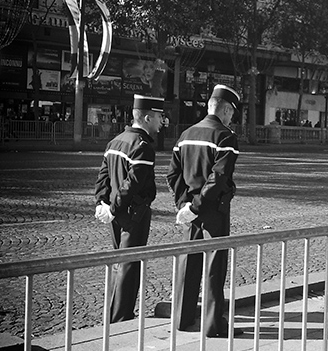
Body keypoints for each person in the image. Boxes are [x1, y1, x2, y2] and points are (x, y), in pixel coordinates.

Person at [167, 84, 241, 335]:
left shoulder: (185, 134)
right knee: (213, 267)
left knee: (188, 263)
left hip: (190, 209)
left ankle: (182, 318)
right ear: (227, 110)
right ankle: (213, 324)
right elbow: (218, 179)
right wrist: (198, 207)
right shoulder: (226, 137)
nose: (232, 117)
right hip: (212, 211)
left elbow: (172, 174)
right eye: (232, 112)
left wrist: (184, 205)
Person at [94, 94, 164, 322]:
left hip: (116, 213)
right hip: (133, 214)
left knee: (120, 262)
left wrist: (101, 203)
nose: (162, 122)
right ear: (146, 118)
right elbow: (131, 184)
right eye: (159, 117)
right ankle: (121, 316)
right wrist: (113, 208)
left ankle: (115, 312)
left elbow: (103, 177)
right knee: (130, 264)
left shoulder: (115, 141)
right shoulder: (142, 147)